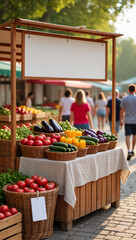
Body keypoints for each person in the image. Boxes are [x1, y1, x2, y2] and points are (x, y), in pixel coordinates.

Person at [120, 84, 136, 161]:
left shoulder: (125, 98)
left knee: (127, 135)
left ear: (129, 90)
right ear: (135, 90)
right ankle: (133, 150)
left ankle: (128, 150)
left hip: (127, 120)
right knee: (134, 135)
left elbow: (122, 110)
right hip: (135, 120)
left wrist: (121, 120)